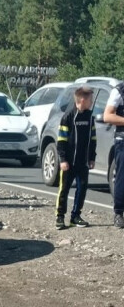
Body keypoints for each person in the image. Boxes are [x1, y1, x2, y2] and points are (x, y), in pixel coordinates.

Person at [54, 86, 96, 230]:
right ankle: (60, 216)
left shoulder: (90, 117)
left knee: (82, 188)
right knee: (64, 189)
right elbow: (61, 140)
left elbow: (93, 139)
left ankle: (75, 216)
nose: (92, 102)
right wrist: (63, 159)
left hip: (83, 162)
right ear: (82, 100)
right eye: (91, 99)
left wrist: (91, 157)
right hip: (69, 162)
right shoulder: (68, 117)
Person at [104, 82, 124, 228]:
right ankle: (118, 213)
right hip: (123, 139)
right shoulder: (119, 90)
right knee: (122, 178)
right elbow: (107, 115)